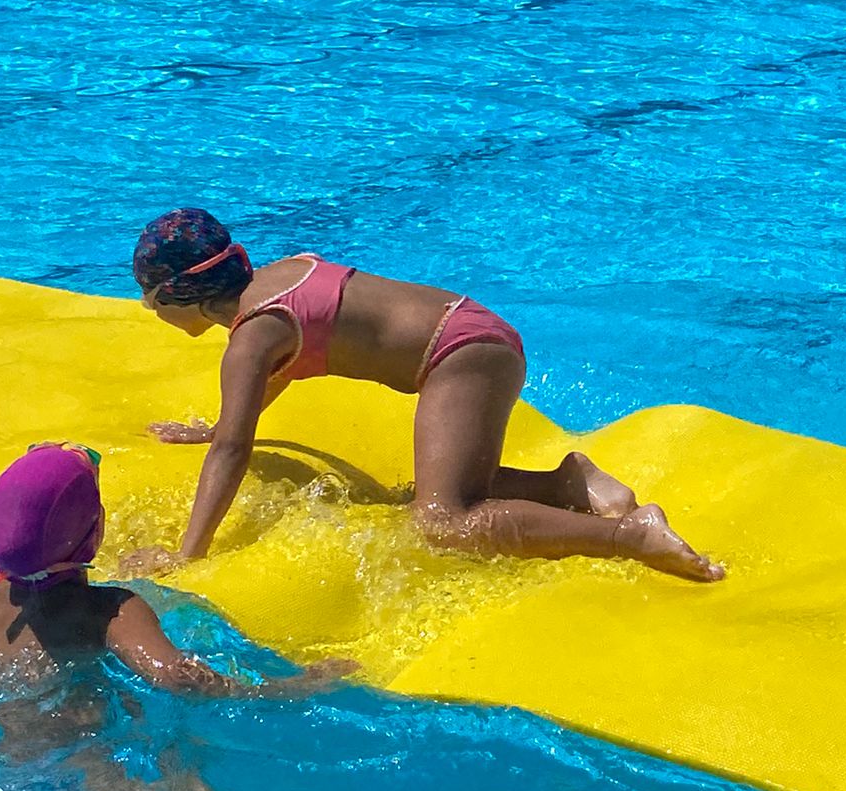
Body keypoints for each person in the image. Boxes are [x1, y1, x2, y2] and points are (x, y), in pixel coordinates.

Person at [126, 210, 723, 582]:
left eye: (149, 299)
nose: (149, 311)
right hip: (475, 330)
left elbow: (233, 451)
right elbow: (272, 379)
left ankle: (630, 536)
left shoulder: (252, 337)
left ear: (178, 296)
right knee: (449, 486)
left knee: (442, 521)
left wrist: (189, 554)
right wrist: (220, 424)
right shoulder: (279, 277)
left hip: (461, 356)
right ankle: (569, 485)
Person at [0, 444, 355, 696]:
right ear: (97, 529)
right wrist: (290, 686)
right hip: (81, 754)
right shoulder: (112, 611)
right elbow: (175, 677)